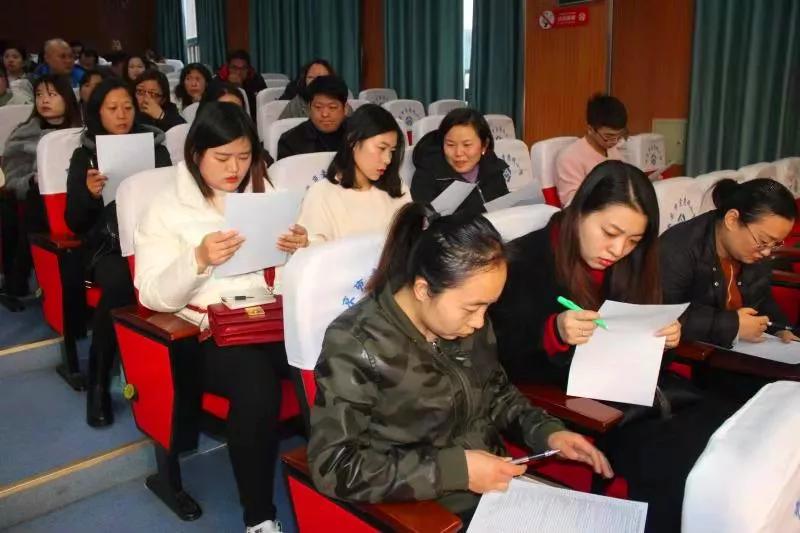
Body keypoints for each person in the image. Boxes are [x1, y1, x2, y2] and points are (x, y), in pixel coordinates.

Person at [308, 202, 613, 525]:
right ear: (423, 290)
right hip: (428, 510)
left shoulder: (464, 321)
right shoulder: (357, 344)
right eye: (471, 309)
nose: (480, 322)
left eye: (487, 307)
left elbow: (497, 392)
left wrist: (547, 432)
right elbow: (334, 465)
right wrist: (457, 471)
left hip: (496, 487)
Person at [490, 160, 738, 533]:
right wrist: (552, 333)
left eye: (634, 240)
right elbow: (499, 362)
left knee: (729, 434)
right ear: (579, 211)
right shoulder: (524, 262)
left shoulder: (634, 261)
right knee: (681, 464)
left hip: (639, 392)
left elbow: (643, 342)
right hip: (584, 407)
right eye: (610, 232)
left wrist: (665, 339)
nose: (619, 249)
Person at [134, 102, 308, 533]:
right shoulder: (165, 207)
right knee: (257, 385)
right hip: (207, 333)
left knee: (335, 355)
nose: (235, 168)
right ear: (196, 153)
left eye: (244, 156)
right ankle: (259, 517)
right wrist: (198, 259)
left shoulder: (261, 190)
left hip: (267, 317)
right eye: (223, 157)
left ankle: (344, 479)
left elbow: (286, 273)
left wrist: (299, 248)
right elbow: (151, 294)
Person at [65, 77, 172, 428]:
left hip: (153, 239)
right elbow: (75, 222)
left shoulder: (155, 146)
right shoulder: (84, 154)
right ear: (98, 113)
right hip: (107, 246)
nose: (122, 115)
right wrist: (89, 195)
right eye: (113, 109)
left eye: (127, 107)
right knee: (121, 285)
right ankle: (98, 383)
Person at [660, 178, 798, 401]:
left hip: (743, 353)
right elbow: (663, 315)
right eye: (764, 241)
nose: (767, 252)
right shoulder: (678, 249)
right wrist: (733, 325)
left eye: (775, 244)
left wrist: (781, 329)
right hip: (702, 362)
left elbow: (762, 297)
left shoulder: (753, 252)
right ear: (732, 219)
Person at [1, 75, 81, 310]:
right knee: (36, 199)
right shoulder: (23, 134)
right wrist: (32, 179)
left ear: (67, 98)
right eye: (39, 95)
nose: (44, 100)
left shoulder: (81, 134)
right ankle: (19, 281)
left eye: (52, 94)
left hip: (75, 197)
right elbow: (12, 177)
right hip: (33, 197)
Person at [297, 104, 411, 244]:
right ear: (353, 141)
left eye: (392, 151)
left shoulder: (397, 187)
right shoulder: (322, 194)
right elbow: (314, 249)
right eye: (382, 148)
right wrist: (306, 244)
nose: (388, 159)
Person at [411, 108, 510, 216]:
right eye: (450, 145)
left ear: (484, 145)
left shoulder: (493, 167)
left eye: (467, 145)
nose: (458, 153)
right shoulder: (426, 174)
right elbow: (419, 220)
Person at [555, 94, 627, 206]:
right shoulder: (570, 157)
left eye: (619, 135)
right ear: (590, 129)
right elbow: (572, 202)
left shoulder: (613, 151)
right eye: (609, 136)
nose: (615, 141)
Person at [276, 75, 348, 160]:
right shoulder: (290, 141)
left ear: (345, 109)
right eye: (318, 107)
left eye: (332, 107)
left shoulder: (356, 135)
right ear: (309, 108)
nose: (325, 114)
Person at [214, 49, 266, 120]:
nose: (238, 72)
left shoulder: (257, 80)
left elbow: (262, 107)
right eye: (234, 68)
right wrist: (231, 85)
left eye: (243, 68)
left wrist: (241, 88)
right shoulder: (217, 81)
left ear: (248, 69)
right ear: (228, 68)